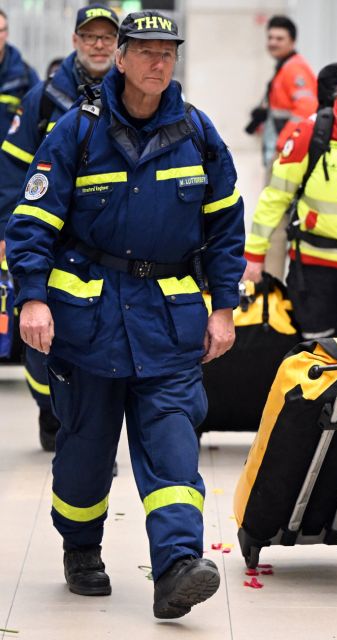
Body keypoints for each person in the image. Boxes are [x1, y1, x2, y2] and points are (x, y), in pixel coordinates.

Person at [5, 10, 245, 619]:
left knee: (172, 446)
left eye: (168, 52)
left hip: (168, 320)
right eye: (146, 52)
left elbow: (224, 229)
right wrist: (31, 295)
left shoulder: (197, 131)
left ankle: (177, 567)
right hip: (88, 322)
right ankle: (81, 548)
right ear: (120, 57)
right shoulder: (75, 131)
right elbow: (32, 223)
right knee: (84, 453)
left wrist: (224, 308)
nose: (159, 62)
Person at [0, 4, 119, 452]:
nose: (99, 45)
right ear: (75, 41)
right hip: (50, 241)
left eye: (107, 38)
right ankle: (51, 411)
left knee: (95, 339)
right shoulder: (44, 97)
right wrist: (8, 232)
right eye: (90, 37)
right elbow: (13, 171)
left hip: (105, 248)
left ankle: (85, 432)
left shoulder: (131, 95)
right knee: (37, 343)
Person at [242, 56, 337, 341]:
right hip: (315, 266)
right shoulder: (312, 131)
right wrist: (254, 255)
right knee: (317, 352)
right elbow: (276, 196)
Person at [245, 15, 318, 165]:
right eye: (270, 37)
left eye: (279, 39)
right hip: (283, 150)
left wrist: (283, 143)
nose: (273, 42)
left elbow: (306, 109)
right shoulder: (285, 66)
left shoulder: (294, 68)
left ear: (292, 41)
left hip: (286, 153)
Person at [0, 8, 39, 142]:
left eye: (1, 30)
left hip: (8, 160)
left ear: (7, 33)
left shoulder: (25, 76)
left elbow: (38, 119)